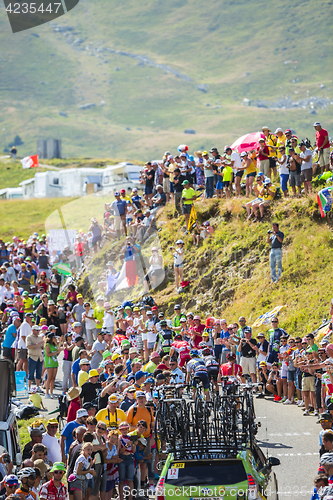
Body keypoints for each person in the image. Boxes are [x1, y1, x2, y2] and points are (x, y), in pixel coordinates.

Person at [26, 325, 44, 392]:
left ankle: (37, 386)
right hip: (32, 357)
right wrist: (38, 344)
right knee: (31, 372)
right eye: (37, 330)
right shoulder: (29, 337)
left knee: (39, 373)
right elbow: (29, 346)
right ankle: (29, 387)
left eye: (39, 330)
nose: (38, 331)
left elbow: (42, 346)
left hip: (40, 357)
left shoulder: (40, 337)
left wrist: (42, 346)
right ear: (33, 330)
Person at [44, 333, 62, 399]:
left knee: (53, 378)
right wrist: (57, 352)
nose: (55, 339)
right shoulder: (47, 345)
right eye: (54, 338)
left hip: (55, 363)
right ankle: (47, 393)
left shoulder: (54, 345)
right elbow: (48, 354)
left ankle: (51, 392)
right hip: (49, 363)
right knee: (49, 378)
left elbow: (56, 355)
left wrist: (58, 351)